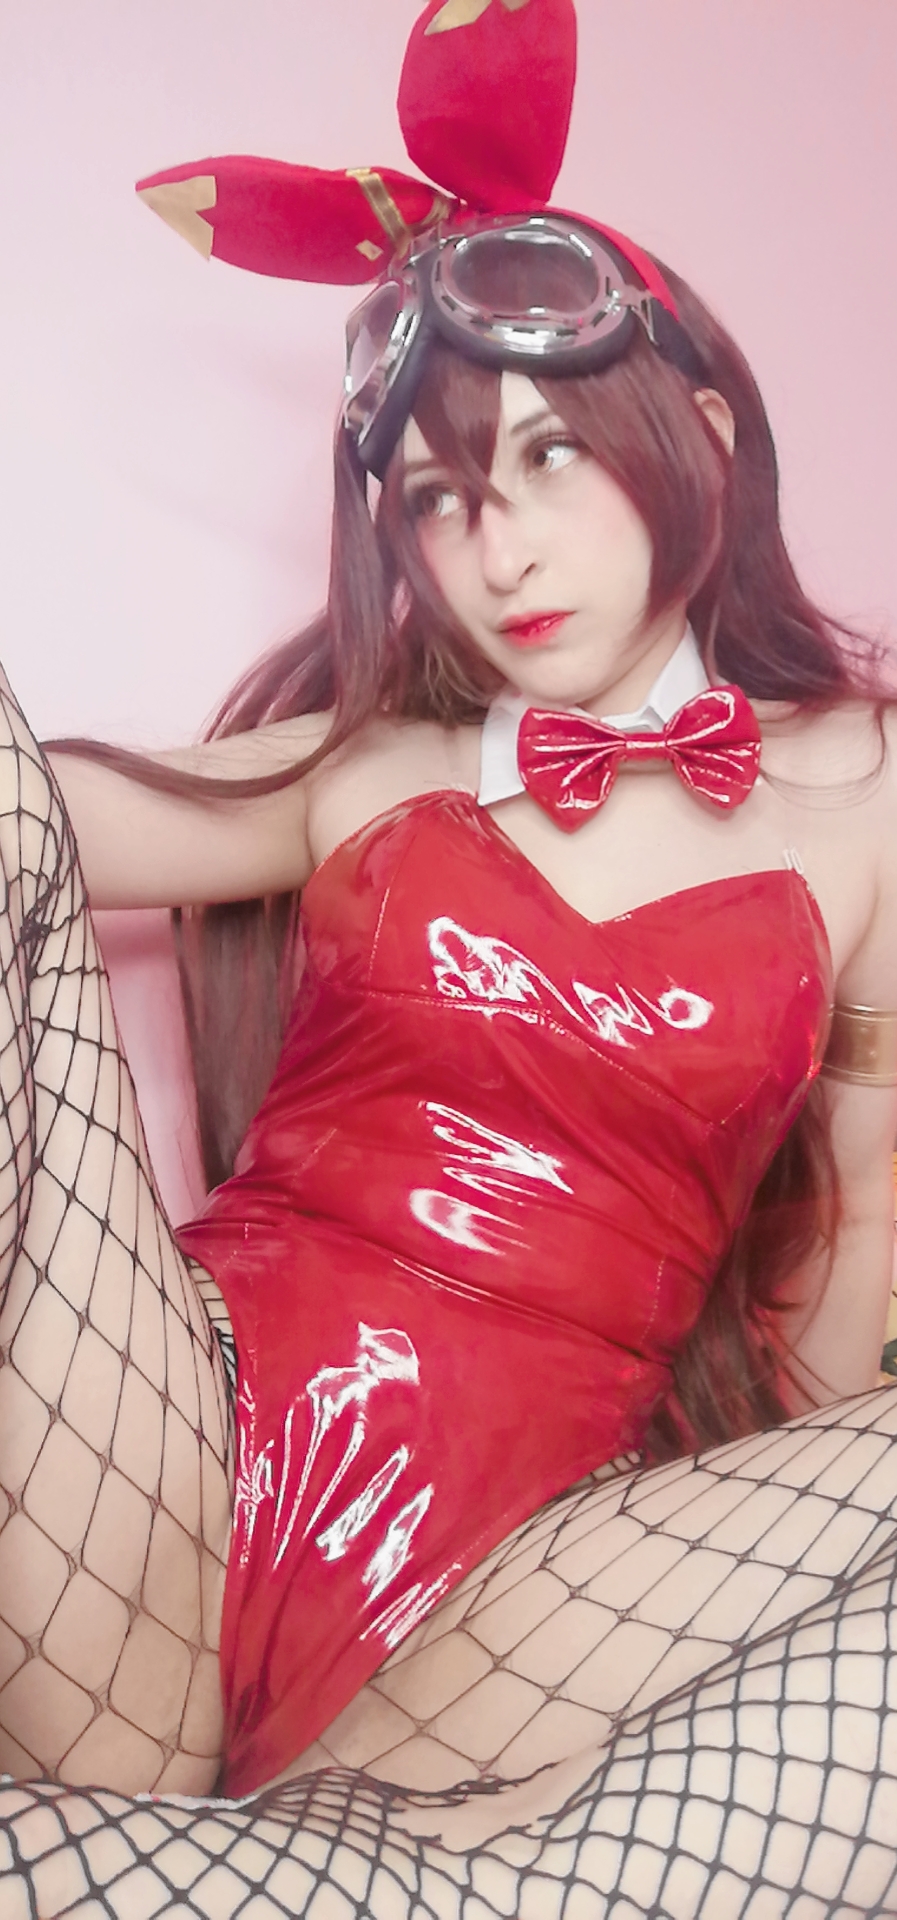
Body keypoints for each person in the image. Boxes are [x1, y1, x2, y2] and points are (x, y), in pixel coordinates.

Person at [3, 1, 897, 1912]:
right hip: (156, 1466)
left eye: (551, 457)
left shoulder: (869, 794)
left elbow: (854, 1262)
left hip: (512, 1603)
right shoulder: (369, 766)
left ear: (700, 436)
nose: (501, 551)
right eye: (438, 497)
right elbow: (41, 818)